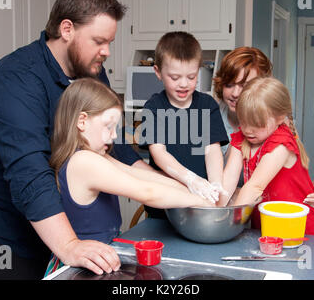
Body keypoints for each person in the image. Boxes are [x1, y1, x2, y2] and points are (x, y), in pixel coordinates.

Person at [0, 0, 152, 280]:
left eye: (109, 42)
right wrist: (67, 244)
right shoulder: (16, 78)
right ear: (67, 29)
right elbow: (29, 171)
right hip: (11, 240)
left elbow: (114, 145)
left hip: (62, 232)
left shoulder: (91, 70)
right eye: (98, 41)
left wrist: (175, 183)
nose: (106, 52)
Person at [44, 78, 213, 275]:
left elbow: (141, 176)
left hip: (99, 258)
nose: (114, 136)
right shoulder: (84, 161)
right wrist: (199, 201)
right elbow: (147, 192)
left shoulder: (98, 156)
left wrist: (192, 185)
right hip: (78, 268)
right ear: (82, 121)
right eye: (109, 126)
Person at [213, 47, 314, 209]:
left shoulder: (279, 129)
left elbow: (290, 177)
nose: (236, 93)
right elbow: (224, 183)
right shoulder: (208, 115)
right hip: (241, 209)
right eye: (229, 84)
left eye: (246, 86)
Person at [139, 31, 230, 218]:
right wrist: (191, 180)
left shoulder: (207, 105)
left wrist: (215, 185)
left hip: (199, 206)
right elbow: (159, 154)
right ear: (158, 72)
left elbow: (212, 151)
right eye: (174, 77)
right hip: (163, 208)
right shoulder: (154, 107)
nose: (183, 84)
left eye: (191, 77)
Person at [221, 77, 314, 235]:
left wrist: (229, 223)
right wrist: (217, 213)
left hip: (298, 228)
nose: (248, 130)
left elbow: (255, 186)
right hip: (265, 226)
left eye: (257, 124)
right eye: (243, 121)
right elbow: (228, 180)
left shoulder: (281, 144)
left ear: (280, 118)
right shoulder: (241, 138)